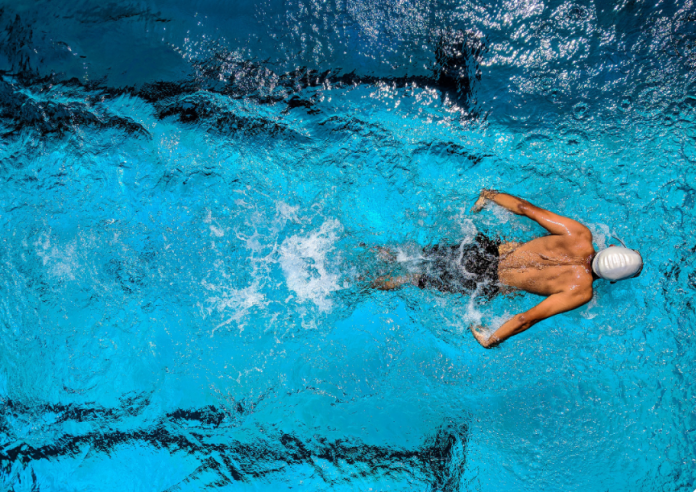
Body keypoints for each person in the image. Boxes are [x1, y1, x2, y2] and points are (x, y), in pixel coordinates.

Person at [372, 189, 643, 348]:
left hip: (483, 250)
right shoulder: (581, 291)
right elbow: (527, 318)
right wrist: (492, 339)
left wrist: (489, 195)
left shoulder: (579, 234)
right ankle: (365, 284)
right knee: (412, 279)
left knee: (411, 255)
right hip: (486, 281)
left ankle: (373, 250)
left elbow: (525, 208)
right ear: (613, 280)